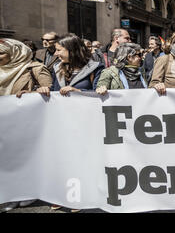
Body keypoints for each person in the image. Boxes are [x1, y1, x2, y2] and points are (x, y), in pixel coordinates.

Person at [0, 38, 52, 212]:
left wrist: (31, 94)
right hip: (3, 122)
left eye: (1, 53)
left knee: (23, 158)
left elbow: (48, 91)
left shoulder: (34, 68)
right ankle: (10, 194)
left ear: (15, 53)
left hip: (25, 122)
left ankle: (27, 192)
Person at [37, 34, 103, 97]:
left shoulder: (95, 68)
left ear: (72, 51)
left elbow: (98, 93)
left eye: (58, 50)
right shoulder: (57, 68)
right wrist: (45, 90)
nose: (55, 53)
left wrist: (78, 91)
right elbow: (54, 89)